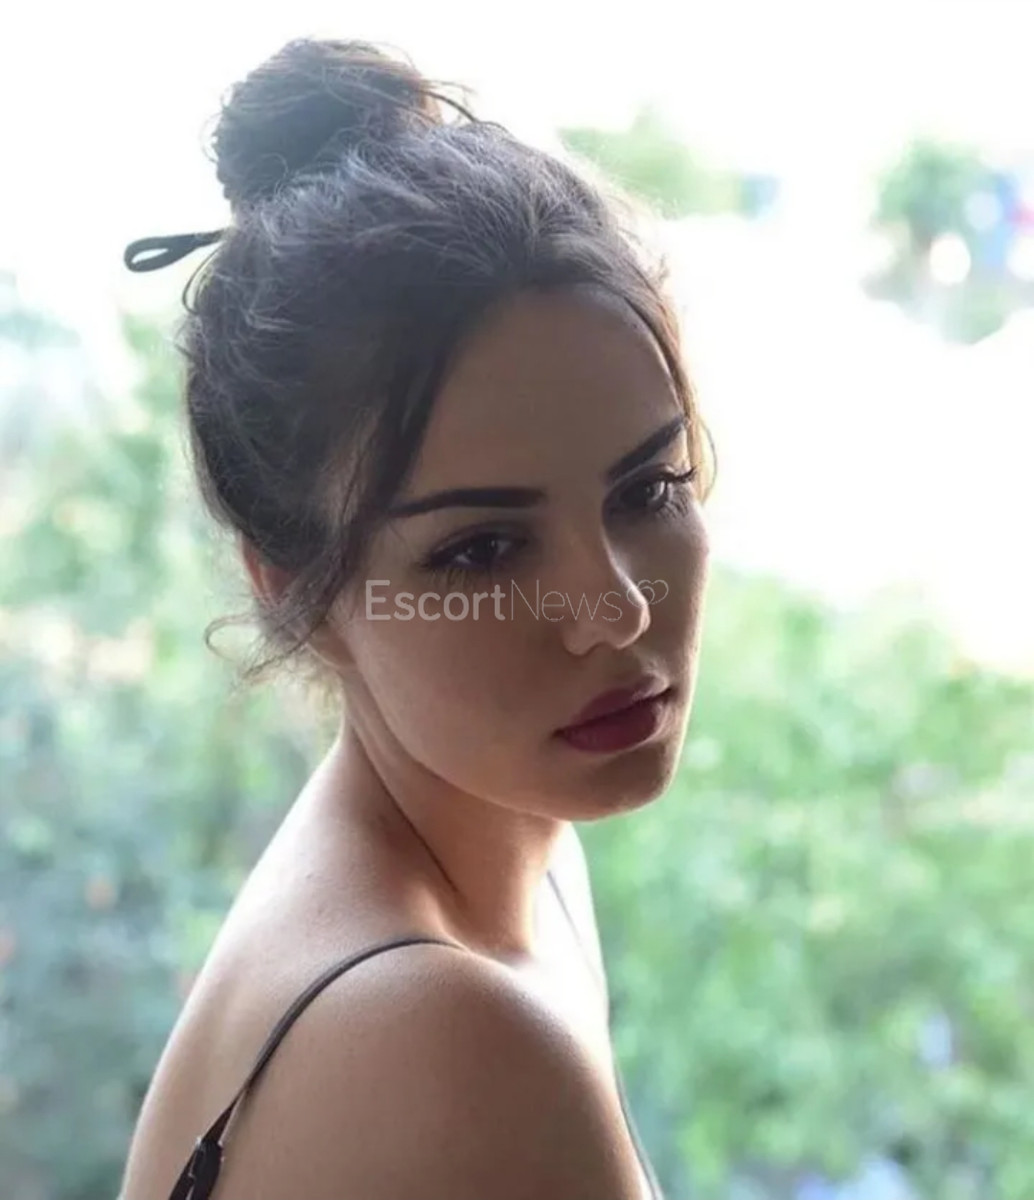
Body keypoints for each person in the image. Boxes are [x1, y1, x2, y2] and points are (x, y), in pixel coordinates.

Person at [117, 35, 714, 1200]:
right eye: (481, 549)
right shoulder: (437, 1031)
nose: (613, 608)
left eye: (646, 490)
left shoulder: (508, 858)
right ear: (293, 589)